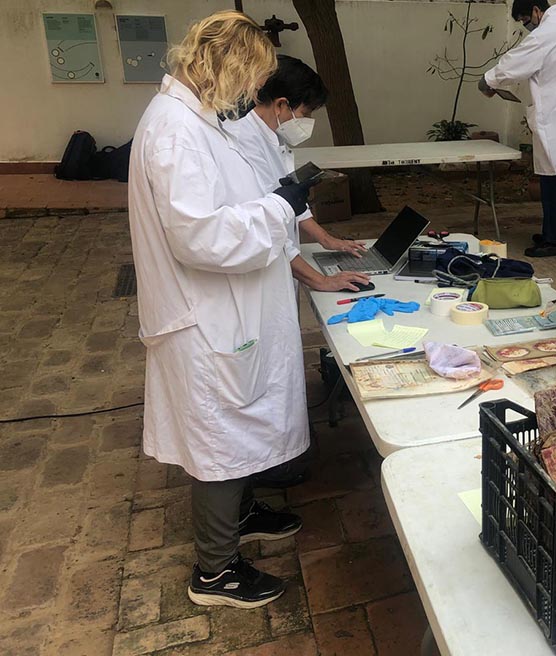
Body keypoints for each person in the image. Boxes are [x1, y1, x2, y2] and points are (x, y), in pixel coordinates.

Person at [128, 11, 316, 609]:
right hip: (204, 318)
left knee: (242, 418)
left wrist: (275, 201)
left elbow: (224, 197)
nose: (248, 94)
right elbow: (200, 235)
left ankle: (241, 512)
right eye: (248, 79)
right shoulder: (174, 130)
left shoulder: (198, 120)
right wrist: (278, 210)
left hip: (228, 310)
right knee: (220, 433)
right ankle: (215, 571)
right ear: (229, 68)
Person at [224, 55, 370, 293]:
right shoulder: (243, 146)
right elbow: (267, 229)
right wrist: (321, 280)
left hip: (280, 264)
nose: (308, 121)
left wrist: (326, 239)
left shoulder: (273, 136)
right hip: (262, 271)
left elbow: (292, 203)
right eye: (306, 112)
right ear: (281, 105)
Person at [479, 0, 556, 258]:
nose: (527, 26)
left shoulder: (548, 31)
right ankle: (552, 231)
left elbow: (517, 61)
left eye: (525, 20)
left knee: (555, 178)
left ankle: (555, 240)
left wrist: (488, 80)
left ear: (536, 10)